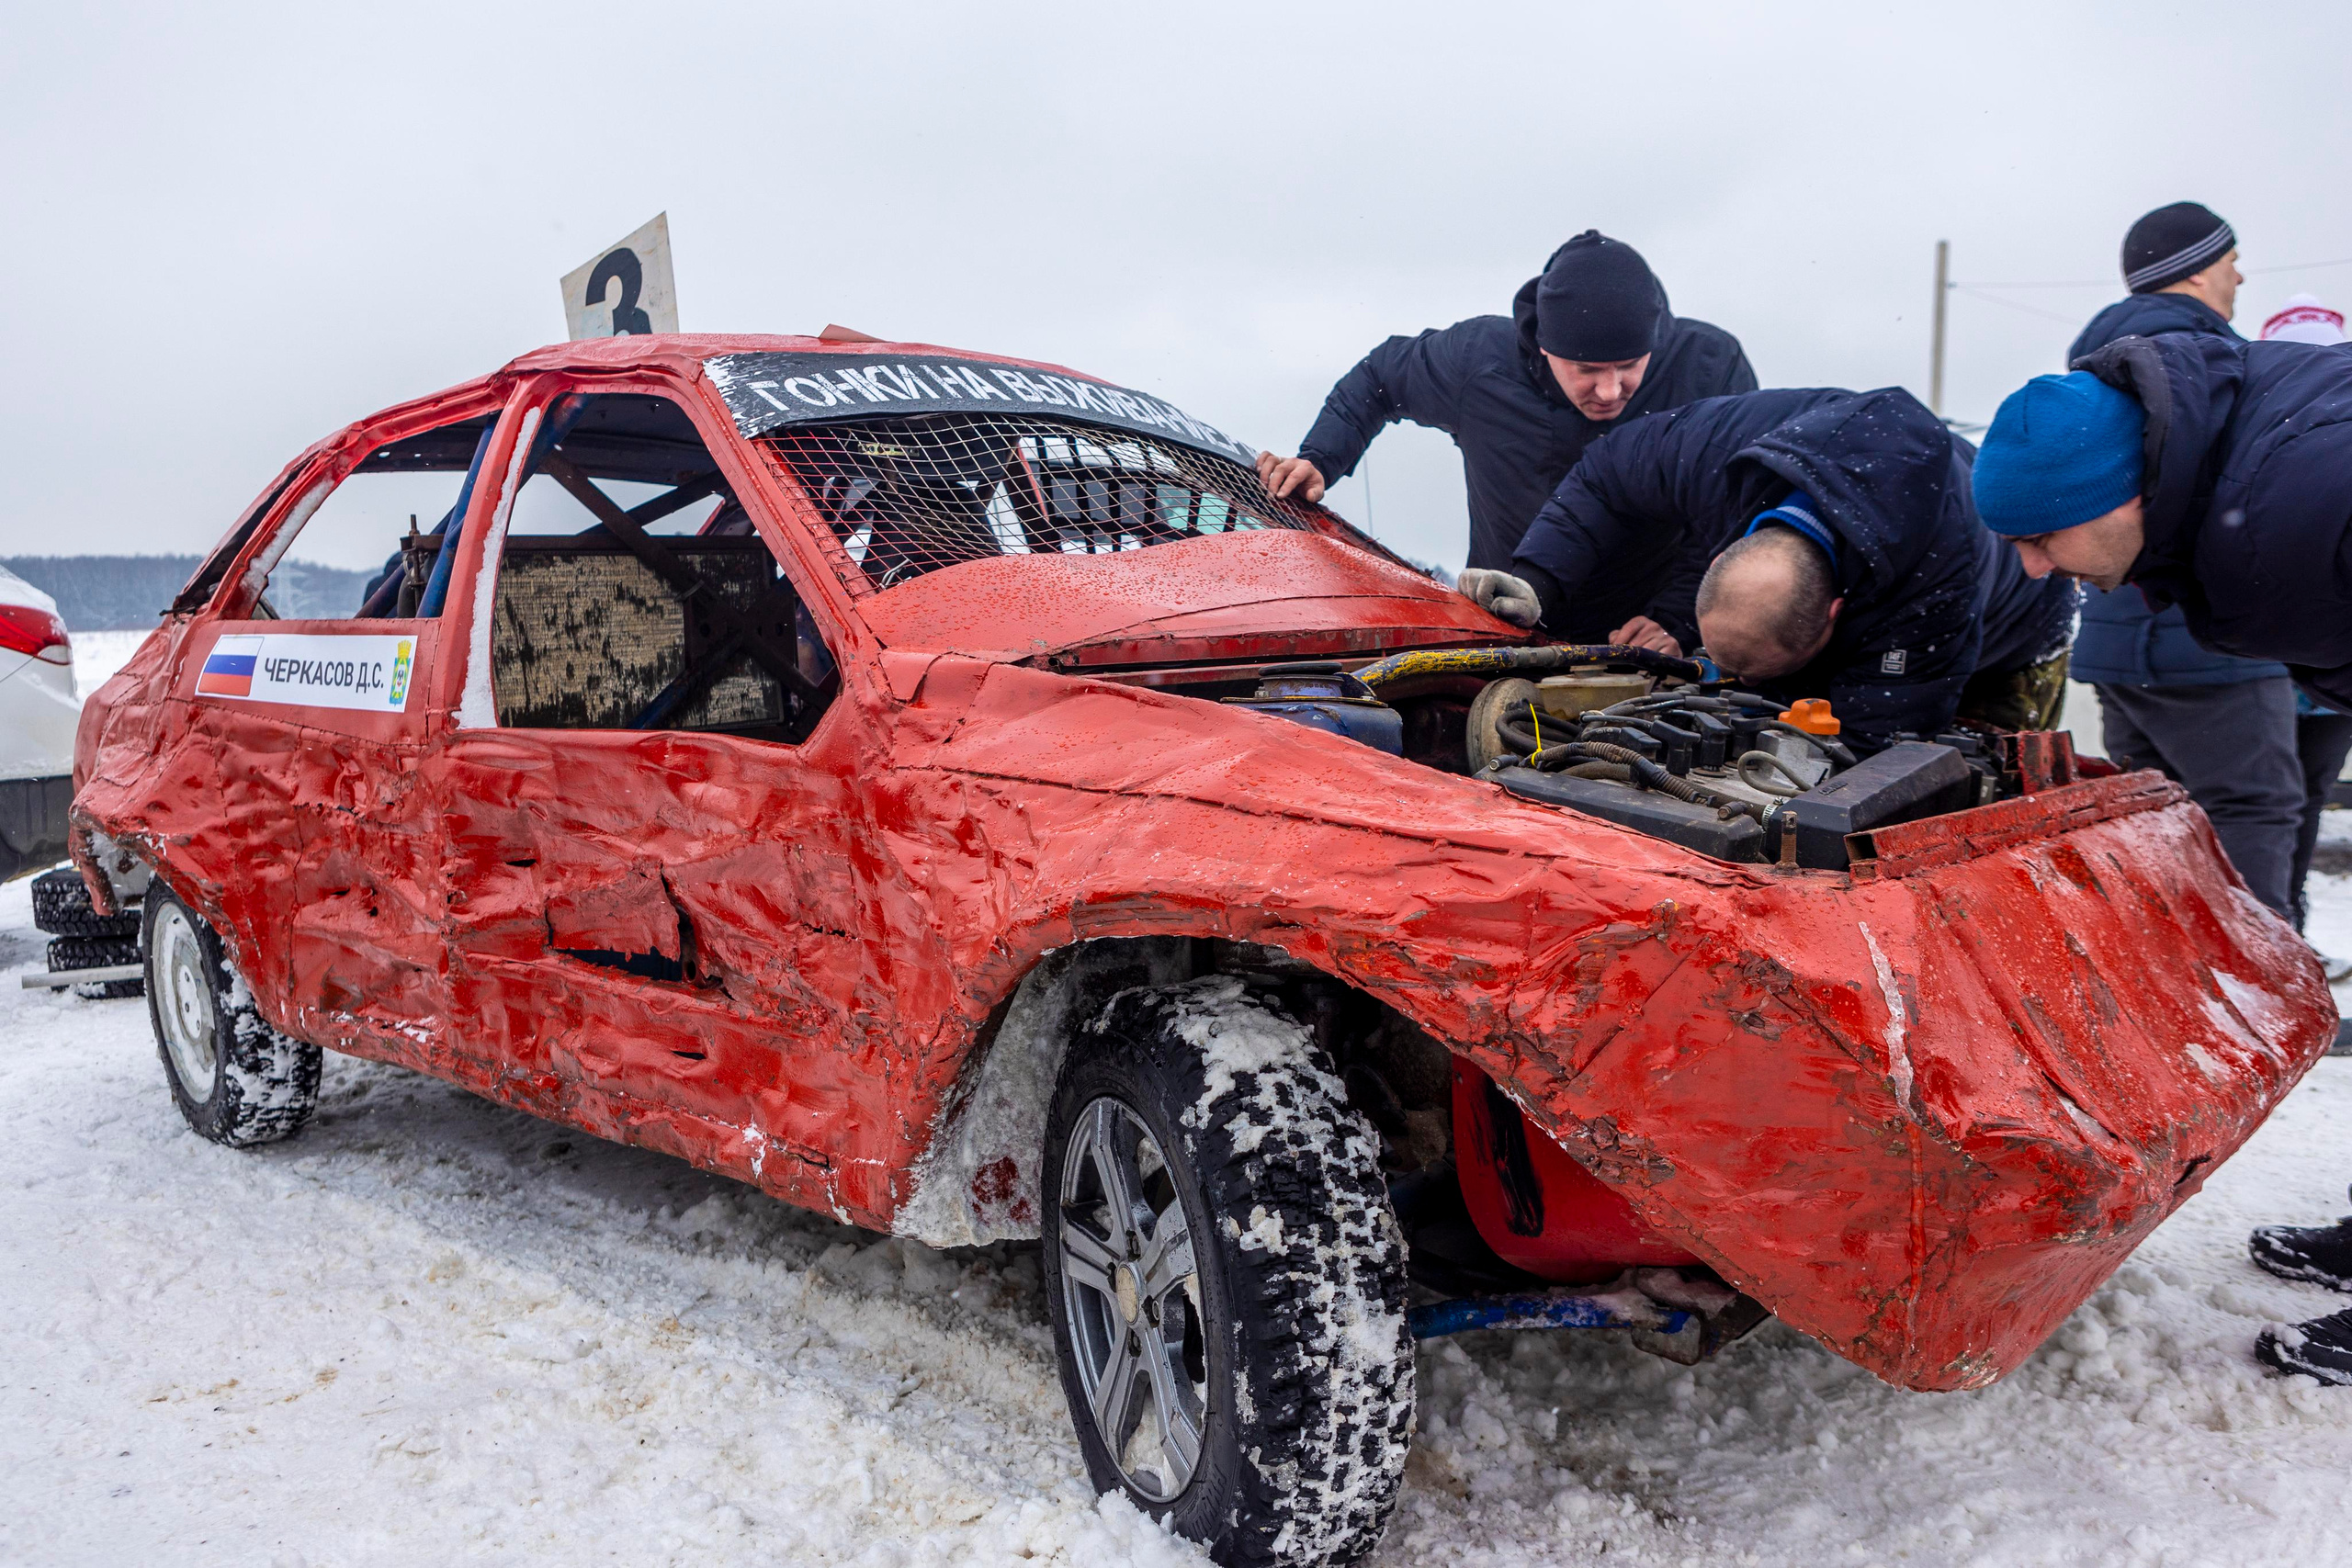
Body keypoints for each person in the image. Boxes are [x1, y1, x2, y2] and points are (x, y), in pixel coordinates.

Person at [1969, 328, 2352, 1384]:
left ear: (2120, 497)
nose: (2031, 566)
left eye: (2043, 537)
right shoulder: (2208, 460)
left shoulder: (2300, 506)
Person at [1460, 386, 2075, 751]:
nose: (1730, 678)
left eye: (1746, 670)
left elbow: (1877, 747)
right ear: (1723, 554)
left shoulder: (1933, 585)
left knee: (1955, 790)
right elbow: (1608, 473)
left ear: (1835, 619)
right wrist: (1537, 579)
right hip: (1868, 552)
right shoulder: (1721, 451)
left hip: (2016, 637)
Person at [2063, 204, 2308, 919]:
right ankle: (2265, 994)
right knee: (2255, 805)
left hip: (2115, 635)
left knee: (2153, 817)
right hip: (2204, 640)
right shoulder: (2212, 364)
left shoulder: (2094, 365)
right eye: (2230, 259)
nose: (2240, 274)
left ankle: (2171, 988)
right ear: (2197, 270)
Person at [1255, 231, 1756, 575]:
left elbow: (1739, 506)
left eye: (1629, 366)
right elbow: (1381, 376)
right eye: (1586, 370)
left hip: (1646, 634)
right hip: (1506, 622)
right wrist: (1322, 458)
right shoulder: (1479, 362)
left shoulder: (1709, 368)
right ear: (1545, 346)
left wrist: (1674, 618)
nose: (1610, 391)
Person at [2259, 295, 2352, 957]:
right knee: (2275, 801)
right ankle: (2277, 926)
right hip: (2271, 668)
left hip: (2320, 674)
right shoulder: (2263, 445)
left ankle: (2290, 921)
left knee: (2301, 798)